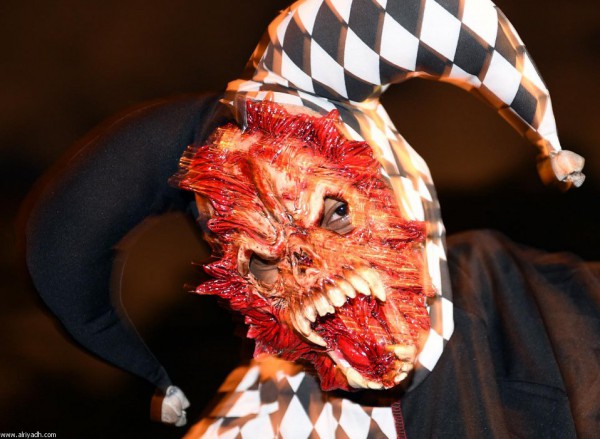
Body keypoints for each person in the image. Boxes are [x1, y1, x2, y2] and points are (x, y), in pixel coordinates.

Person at [25, 0, 598, 437]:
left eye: (335, 211)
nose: (308, 265)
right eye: (263, 260)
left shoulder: (564, 315)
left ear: (395, 182)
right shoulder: (266, 422)